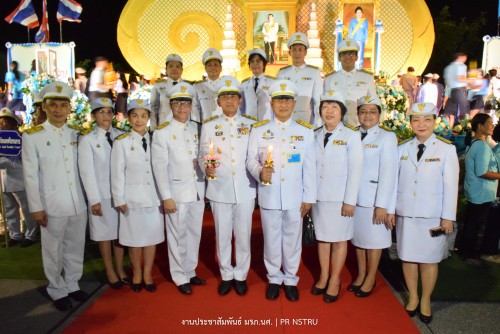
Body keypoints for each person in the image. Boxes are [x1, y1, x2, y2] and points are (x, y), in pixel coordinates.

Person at [246, 80, 316, 301]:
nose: (283, 105)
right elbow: (250, 160)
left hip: (295, 196)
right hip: (269, 194)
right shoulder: (259, 129)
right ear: (272, 103)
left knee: (292, 239)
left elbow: (310, 167)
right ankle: (274, 278)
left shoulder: (305, 131)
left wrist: (309, 198)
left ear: (294, 103)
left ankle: (291, 278)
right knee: (272, 238)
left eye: (287, 100)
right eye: (279, 100)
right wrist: (259, 172)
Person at [22, 82, 89, 311]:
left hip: (77, 201)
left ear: (69, 107)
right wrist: (36, 207)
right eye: (53, 105)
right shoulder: (33, 137)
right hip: (51, 204)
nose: (58, 109)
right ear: (44, 108)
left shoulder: (76, 134)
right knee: (53, 250)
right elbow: (30, 175)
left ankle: (72, 284)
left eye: (63, 105)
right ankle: (56, 289)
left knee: (75, 246)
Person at [396, 102, 459, 324]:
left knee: (429, 260)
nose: (421, 124)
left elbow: (451, 185)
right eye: (416, 119)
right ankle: (413, 297)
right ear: (410, 122)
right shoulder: (401, 148)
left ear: (435, 122)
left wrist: (447, 217)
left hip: (432, 215)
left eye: (427, 119)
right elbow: (394, 183)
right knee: (408, 258)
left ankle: (425, 300)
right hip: (406, 214)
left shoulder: (446, 149)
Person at [199, 77, 257, 296]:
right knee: (222, 235)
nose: (230, 100)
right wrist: (207, 168)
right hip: (219, 188)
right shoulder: (210, 125)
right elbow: (204, 153)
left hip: (245, 188)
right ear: (219, 101)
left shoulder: (251, 124)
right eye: (225, 97)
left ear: (240, 100)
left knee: (243, 236)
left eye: (234, 96)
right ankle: (226, 274)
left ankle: (240, 275)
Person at [151, 83, 206, 295]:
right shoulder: (162, 132)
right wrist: (166, 197)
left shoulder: (197, 128)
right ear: (171, 105)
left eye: (186, 103)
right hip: (176, 192)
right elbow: (159, 167)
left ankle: (190, 270)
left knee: (194, 233)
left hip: (197, 189)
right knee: (177, 235)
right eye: (178, 103)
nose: (183, 107)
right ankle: (179, 275)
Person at [310, 90, 363, 303]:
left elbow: (355, 170)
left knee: (340, 240)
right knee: (323, 239)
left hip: (341, 200)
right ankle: (323, 276)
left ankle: (335, 279)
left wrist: (350, 200)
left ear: (342, 112)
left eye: (334, 107)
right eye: (325, 106)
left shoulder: (351, 136)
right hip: (319, 198)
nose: (329, 111)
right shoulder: (314, 134)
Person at [111, 98, 164, 293]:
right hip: (131, 198)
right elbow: (116, 173)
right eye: (135, 115)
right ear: (128, 118)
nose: (139, 120)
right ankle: (137, 273)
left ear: (149, 118)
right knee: (134, 240)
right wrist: (119, 198)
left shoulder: (157, 139)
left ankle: (148, 273)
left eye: (143, 116)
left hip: (153, 197)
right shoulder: (122, 143)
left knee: (151, 238)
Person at [350, 94, 398, 298]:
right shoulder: (352, 134)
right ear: (357, 114)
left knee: (374, 242)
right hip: (354, 198)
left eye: (372, 111)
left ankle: (371, 276)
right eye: (363, 111)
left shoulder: (387, 137)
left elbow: (389, 173)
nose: (367, 115)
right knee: (359, 240)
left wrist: (383, 206)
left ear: (379, 114)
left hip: (374, 199)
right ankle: (361, 274)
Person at [78, 98, 128, 289]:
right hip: (101, 195)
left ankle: (120, 268)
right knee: (104, 235)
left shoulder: (122, 135)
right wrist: (94, 200)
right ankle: (109, 270)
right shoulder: (87, 139)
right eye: (101, 112)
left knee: (119, 234)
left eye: (109, 112)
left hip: (120, 194)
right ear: (94, 116)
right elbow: (86, 172)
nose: (106, 115)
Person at [459, 114, 500, 266]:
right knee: (476, 225)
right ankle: (470, 254)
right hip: (481, 192)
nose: (492, 126)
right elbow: (482, 171)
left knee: (472, 223)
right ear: (479, 126)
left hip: (476, 191)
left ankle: (466, 252)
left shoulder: (475, 143)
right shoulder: (481, 146)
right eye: (489, 123)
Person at [0, 107, 38, 247]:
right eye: (1, 121)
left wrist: (3, 161)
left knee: (27, 209)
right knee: (9, 209)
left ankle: (31, 234)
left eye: (5, 121)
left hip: (20, 180)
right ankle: (14, 234)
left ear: (12, 123)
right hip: (4, 180)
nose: (2, 124)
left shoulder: (21, 139)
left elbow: (24, 164)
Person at [324, 38, 376, 127]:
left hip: (360, 126)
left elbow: (373, 103)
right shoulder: (330, 79)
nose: (348, 57)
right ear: (339, 58)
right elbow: (325, 105)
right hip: (337, 126)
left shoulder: (367, 77)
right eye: (344, 54)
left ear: (356, 57)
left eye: (351, 54)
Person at [277, 32, 322, 128]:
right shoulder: (282, 73)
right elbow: (278, 100)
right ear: (290, 52)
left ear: (305, 52)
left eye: (300, 50)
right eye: (294, 50)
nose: (297, 53)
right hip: (285, 120)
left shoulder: (314, 72)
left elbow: (317, 101)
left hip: (305, 121)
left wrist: (317, 124)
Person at [150, 54, 191, 130]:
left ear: (182, 70)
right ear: (166, 69)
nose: (174, 69)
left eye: (177, 66)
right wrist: (153, 129)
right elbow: (153, 108)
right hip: (164, 127)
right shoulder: (158, 86)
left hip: (184, 128)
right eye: (171, 66)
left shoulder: (189, 86)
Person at [240, 49, 275, 121]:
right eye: (252, 61)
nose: (255, 64)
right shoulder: (244, 84)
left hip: (266, 123)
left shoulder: (273, 83)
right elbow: (241, 107)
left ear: (264, 64)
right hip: (249, 123)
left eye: (258, 61)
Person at [193, 49, 225, 122]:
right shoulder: (197, 87)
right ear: (205, 68)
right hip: (205, 128)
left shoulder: (227, 86)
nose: (212, 67)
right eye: (209, 65)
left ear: (221, 68)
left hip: (225, 127)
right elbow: (195, 110)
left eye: (215, 65)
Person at [443, 52, 471, 126]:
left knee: (448, 112)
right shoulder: (461, 66)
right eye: (465, 57)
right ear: (460, 57)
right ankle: (462, 128)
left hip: (451, 91)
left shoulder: (448, 67)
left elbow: (448, 81)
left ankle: (447, 129)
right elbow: (460, 78)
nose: (465, 59)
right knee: (464, 112)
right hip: (459, 89)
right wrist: (470, 81)